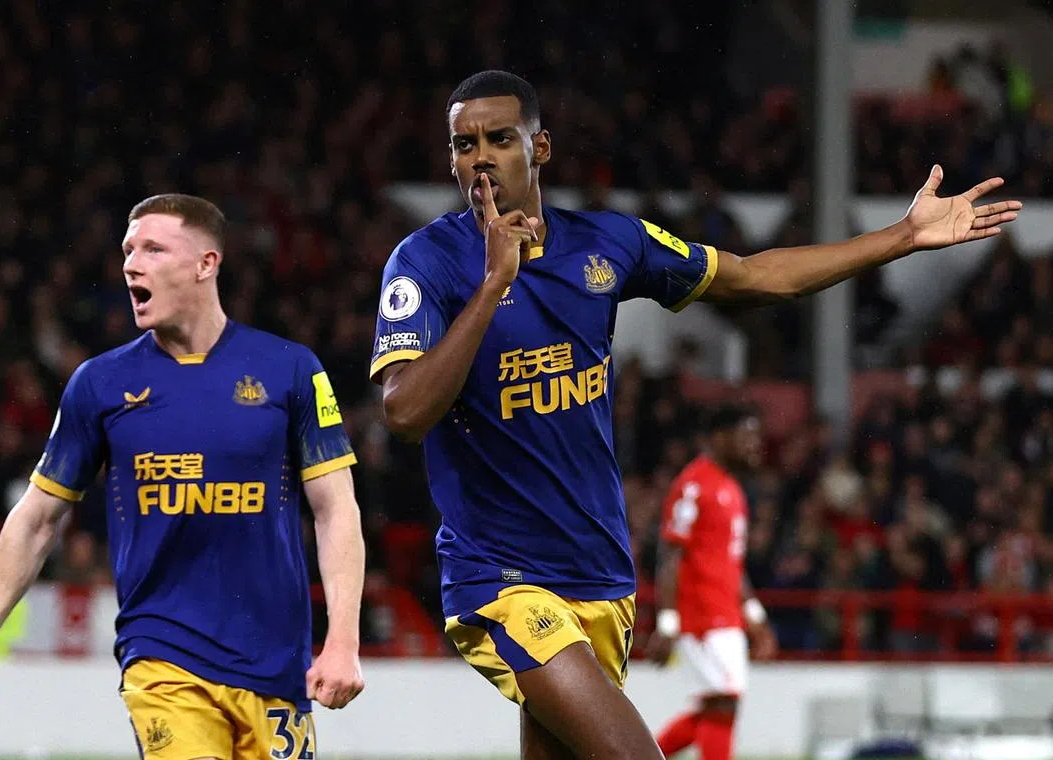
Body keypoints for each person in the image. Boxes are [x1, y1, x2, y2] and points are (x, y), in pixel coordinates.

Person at [369, 68, 1021, 759]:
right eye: (463, 144)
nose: (480, 159)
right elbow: (403, 411)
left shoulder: (608, 245)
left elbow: (756, 276)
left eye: (499, 138)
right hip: (499, 577)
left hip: (600, 577)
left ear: (541, 147)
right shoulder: (427, 263)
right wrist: (495, 282)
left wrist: (901, 237)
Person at [0, 194, 367, 760]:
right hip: (162, 654)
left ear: (205, 263)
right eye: (127, 251)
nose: (131, 264)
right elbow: (37, 519)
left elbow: (336, 508)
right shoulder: (100, 384)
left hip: (275, 663)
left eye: (152, 248)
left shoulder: (290, 370)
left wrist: (342, 641)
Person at [647, 404, 777, 760]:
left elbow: (732, 564)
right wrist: (668, 623)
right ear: (721, 437)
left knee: (717, 707)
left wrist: (755, 617)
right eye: (747, 435)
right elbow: (670, 557)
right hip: (702, 614)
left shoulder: (732, 490)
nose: (755, 444)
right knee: (724, 702)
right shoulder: (693, 485)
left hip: (725, 614)